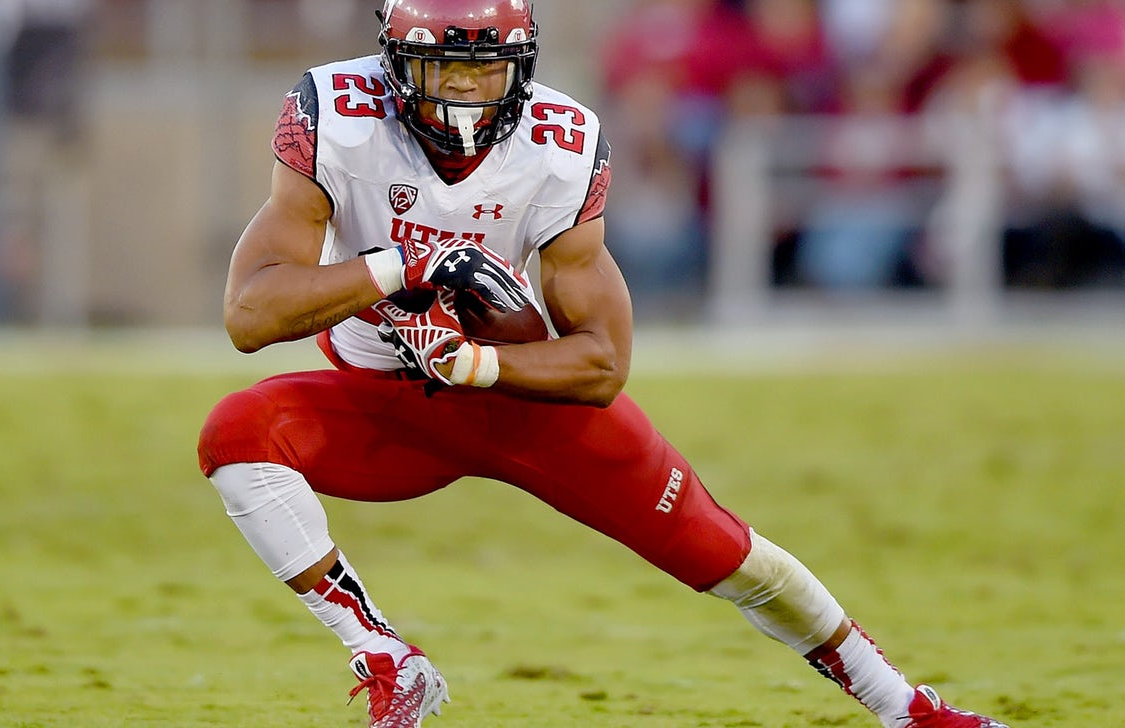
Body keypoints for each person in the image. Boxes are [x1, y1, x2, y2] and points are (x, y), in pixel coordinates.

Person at [196, 2, 1010, 726]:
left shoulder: (561, 144)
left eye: (485, 72)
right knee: (236, 434)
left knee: (725, 553)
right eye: (443, 68)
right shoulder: (335, 113)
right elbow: (249, 315)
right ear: (393, 68)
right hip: (383, 393)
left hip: (521, 395)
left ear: (522, 70)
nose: (464, 93)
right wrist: (401, 268)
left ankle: (908, 707)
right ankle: (383, 655)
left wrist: (479, 364)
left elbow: (603, 363)